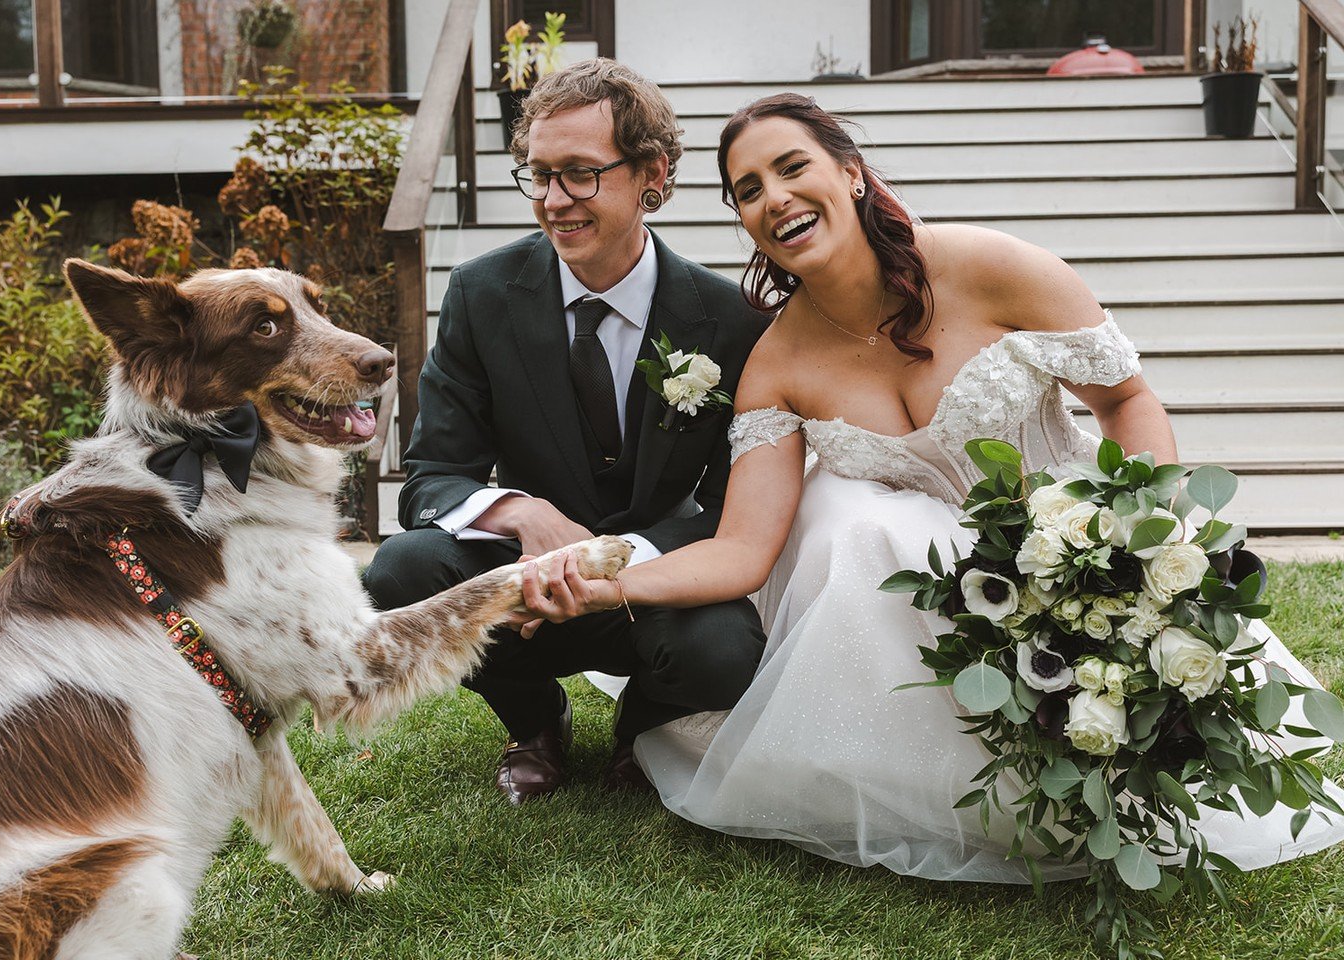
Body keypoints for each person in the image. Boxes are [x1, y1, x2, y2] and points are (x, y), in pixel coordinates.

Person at [515, 93, 1344, 880]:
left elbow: (1126, 399)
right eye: (748, 190)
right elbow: (739, 550)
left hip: (1073, 542)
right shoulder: (778, 363)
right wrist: (602, 585)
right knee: (850, 514)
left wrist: (1135, 533)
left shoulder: (991, 266)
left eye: (792, 167)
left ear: (849, 170)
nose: (775, 198)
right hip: (911, 611)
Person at [362, 59, 770, 805]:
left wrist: (626, 566)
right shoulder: (483, 294)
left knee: (724, 648)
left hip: (656, 582)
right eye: (538, 175)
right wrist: (523, 514)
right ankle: (534, 720)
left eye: (579, 174)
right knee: (400, 570)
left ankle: (642, 734)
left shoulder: (730, 318)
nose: (553, 201)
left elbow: (735, 506)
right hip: (528, 584)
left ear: (653, 173)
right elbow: (431, 477)